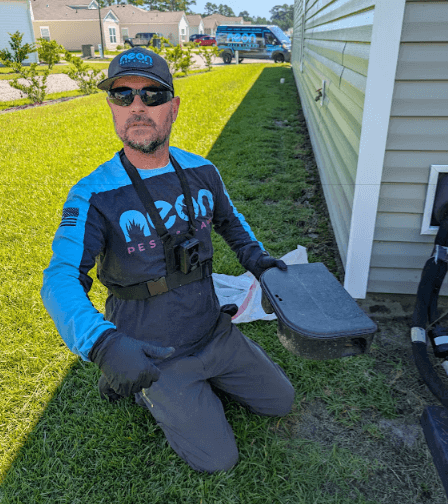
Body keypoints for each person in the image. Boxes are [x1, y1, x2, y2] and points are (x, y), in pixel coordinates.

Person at [41, 48, 295, 474]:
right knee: (218, 461)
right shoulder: (93, 194)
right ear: (111, 107)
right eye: (122, 95)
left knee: (281, 401)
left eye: (152, 95)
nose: (137, 107)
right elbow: (60, 279)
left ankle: (207, 377)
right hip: (154, 353)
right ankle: (141, 387)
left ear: (173, 107)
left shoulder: (202, 170)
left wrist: (257, 259)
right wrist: (103, 344)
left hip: (215, 332)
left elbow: (232, 222)